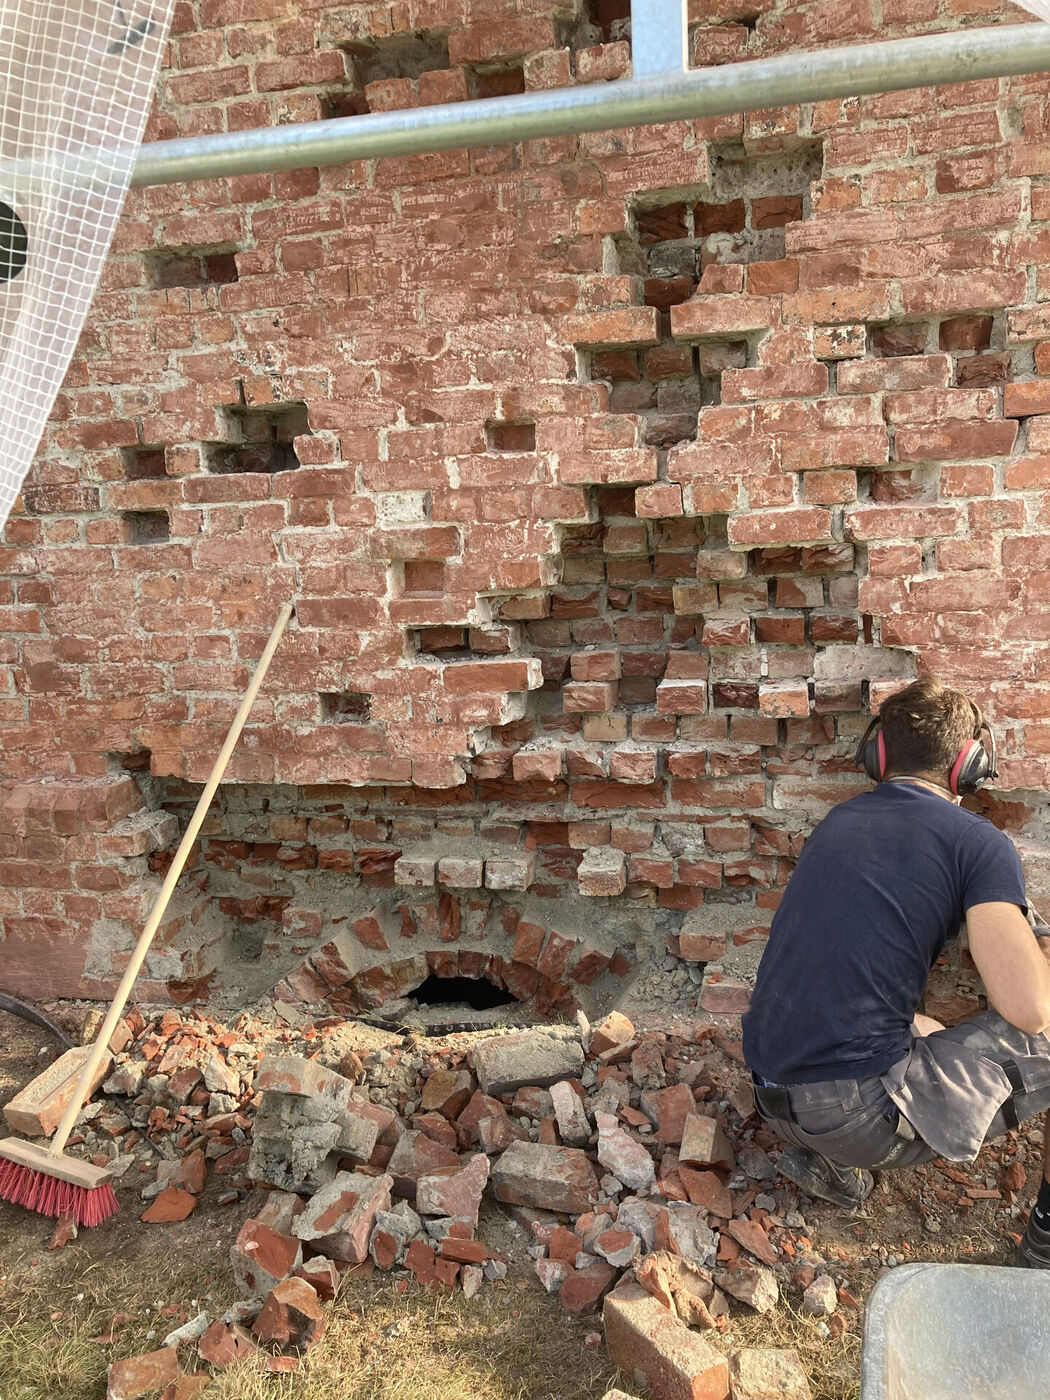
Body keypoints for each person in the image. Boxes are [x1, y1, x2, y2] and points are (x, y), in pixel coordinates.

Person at [741, 676, 1050, 1268]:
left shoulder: (837, 822)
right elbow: (1029, 1009)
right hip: (855, 1116)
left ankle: (830, 1164)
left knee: (923, 1026)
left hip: (770, 1091)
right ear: (969, 765)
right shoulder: (978, 843)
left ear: (878, 755)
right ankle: (1047, 1238)